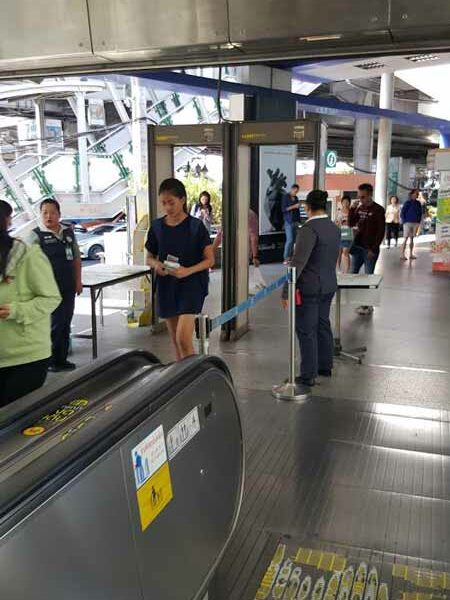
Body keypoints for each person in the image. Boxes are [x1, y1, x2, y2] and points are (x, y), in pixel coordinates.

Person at [146, 178, 214, 360]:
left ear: (182, 200)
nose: (167, 207)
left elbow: (209, 260)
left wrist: (188, 271)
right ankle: (182, 377)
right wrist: (157, 265)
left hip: (191, 284)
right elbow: (149, 257)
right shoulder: (157, 227)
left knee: (183, 338)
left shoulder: (195, 227)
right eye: (164, 203)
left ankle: (192, 375)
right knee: (176, 342)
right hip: (167, 284)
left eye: (171, 202)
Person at [0, 200, 61, 405]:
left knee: (14, 426)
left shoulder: (28, 254)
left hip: (26, 357)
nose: (49, 216)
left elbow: (51, 297)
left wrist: (16, 310)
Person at [281, 190, 340, 387]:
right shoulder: (334, 227)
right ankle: (325, 365)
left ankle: (308, 374)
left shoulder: (308, 229)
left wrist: (285, 290)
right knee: (323, 325)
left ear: (308, 207)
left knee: (306, 329)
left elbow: (298, 262)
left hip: (310, 287)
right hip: (329, 284)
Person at [28, 198, 82, 372]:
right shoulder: (36, 235)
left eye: (52, 212)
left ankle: (61, 359)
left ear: (59, 214)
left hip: (67, 285)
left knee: (66, 321)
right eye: (44, 213)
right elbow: (29, 264)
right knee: (54, 323)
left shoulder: (68, 232)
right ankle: (49, 360)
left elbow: (76, 258)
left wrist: (78, 281)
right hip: (47, 289)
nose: (48, 216)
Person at [348, 183, 385, 316]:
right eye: (359, 197)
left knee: (369, 277)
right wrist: (352, 209)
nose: (361, 199)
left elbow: (381, 232)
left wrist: (373, 248)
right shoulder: (359, 208)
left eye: (363, 197)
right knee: (353, 273)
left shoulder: (378, 210)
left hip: (370, 249)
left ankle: (367, 305)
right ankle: (359, 300)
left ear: (370, 195)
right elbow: (351, 223)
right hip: (358, 247)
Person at [400, 189, 423, 260]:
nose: (417, 195)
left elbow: (420, 212)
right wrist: (404, 221)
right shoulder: (407, 202)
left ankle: (411, 254)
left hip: (415, 222)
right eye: (416, 193)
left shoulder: (418, 203)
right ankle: (402, 254)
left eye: (417, 194)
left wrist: (418, 222)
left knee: (412, 239)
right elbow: (402, 213)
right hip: (407, 222)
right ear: (412, 194)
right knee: (405, 238)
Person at [281, 183, 301, 264]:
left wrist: (299, 221)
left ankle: (290, 257)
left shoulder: (296, 198)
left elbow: (297, 210)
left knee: (294, 241)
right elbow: (284, 209)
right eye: (294, 191)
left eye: (297, 192)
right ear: (292, 189)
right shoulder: (286, 197)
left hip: (295, 221)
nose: (295, 193)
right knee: (289, 240)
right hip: (288, 221)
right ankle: (285, 258)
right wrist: (294, 206)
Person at [335, 195, 352, 273]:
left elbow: (355, 223)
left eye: (347, 202)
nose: (345, 203)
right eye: (344, 202)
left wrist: (348, 222)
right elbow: (335, 222)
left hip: (348, 232)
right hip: (339, 232)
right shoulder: (338, 212)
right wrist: (339, 223)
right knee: (339, 251)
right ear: (341, 203)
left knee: (345, 251)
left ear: (349, 203)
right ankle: (338, 269)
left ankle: (347, 270)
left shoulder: (352, 212)